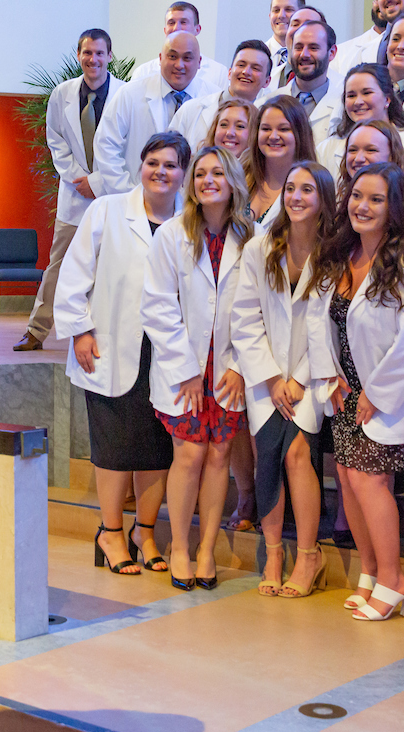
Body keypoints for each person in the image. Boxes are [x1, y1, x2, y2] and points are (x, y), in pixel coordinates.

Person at [53, 133, 191, 577]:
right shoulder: (107, 210)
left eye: (170, 165)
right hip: (108, 344)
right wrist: (79, 331)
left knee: (155, 449)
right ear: (140, 166)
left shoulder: (187, 223)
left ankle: (144, 531)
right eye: (153, 162)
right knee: (113, 445)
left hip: (165, 351)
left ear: (182, 174)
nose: (160, 171)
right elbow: (74, 275)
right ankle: (111, 532)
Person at [306, 162, 404, 621]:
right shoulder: (341, 253)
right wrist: (328, 374)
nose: (363, 206)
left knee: (369, 480)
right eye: (358, 196)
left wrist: (377, 393)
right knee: (346, 478)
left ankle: (394, 580)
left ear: (395, 206)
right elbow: (315, 317)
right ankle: (369, 572)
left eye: (376, 199)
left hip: (389, 392)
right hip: (346, 387)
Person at [142, 146, 254, 590]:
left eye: (218, 173)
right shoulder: (172, 235)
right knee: (189, 455)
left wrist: (242, 367)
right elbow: (157, 306)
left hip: (228, 369)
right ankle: (181, 549)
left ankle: (208, 549)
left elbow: (258, 309)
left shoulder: (252, 237)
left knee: (220, 456)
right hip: (184, 368)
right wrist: (186, 368)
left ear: (232, 182)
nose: (209, 180)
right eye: (201, 173)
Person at [232, 160, 333, 597]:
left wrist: (299, 379)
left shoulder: (334, 252)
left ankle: (309, 555)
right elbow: (244, 317)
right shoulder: (259, 248)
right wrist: (272, 378)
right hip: (267, 373)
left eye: (307, 189)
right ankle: (273, 552)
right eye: (290, 188)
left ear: (324, 198)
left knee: (297, 455)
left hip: (312, 374)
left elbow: (329, 323)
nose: (295, 196)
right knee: (267, 454)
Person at [15, 29, 123, 352]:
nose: (93, 59)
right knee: (58, 265)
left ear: (109, 56)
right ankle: (36, 330)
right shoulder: (61, 94)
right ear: (80, 55)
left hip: (112, 193)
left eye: (100, 53)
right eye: (87, 53)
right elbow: (56, 141)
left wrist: (99, 181)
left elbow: (130, 144)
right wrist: (79, 179)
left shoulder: (125, 94)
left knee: (114, 265)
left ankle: (108, 333)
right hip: (75, 195)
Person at [96, 31, 215, 195]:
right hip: (135, 197)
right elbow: (106, 145)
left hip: (193, 205)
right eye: (172, 57)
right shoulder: (130, 94)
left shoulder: (214, 100)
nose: (179, 65)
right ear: (160, 58)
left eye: (187, 58)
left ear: (199, 61)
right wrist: (129, 192)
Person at [316, 64, 404, 185]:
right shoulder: (326, 149)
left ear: (387, 99)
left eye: (367, 93)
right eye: (351, 95)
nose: (358, 102)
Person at [170, 40, 272, 152]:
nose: (246, 72)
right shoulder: (190, 110)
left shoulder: (265, 122)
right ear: (229, 72)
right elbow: (169, 156)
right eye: (241, 65)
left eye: (255, 68)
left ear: (267, 81)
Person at [246, 95, 317, 232]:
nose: (273, 137)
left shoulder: (314, 188)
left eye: (283, 129)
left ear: (300, 133)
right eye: (266, 129)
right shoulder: (241, 176)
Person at [273, 20, 344, 146]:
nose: (304, 55)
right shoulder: (268, 102)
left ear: (332, 53)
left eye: (313, 48)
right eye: (298, 47)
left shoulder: (344, 106)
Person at [132, 2, 231, 89]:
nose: (176, 28)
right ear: (165, 30)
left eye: (183, 22)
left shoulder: (218, 73)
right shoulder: (143, 72)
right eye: (171, 23)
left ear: (197, 29)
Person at [337, 119, 404, 194]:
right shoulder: (338, 204)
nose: (358, 159)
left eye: (370, 150)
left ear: (392, 156)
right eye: (352, 150)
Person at [271, 6, 329, 88]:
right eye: (295, 24)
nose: (300, 30)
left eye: (309, 24)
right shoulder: (267, 79)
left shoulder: (341, 85)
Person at [267, 0, 302, 72]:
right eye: (276, 10)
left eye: (288, 9)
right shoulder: (255, 58)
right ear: (270, 16)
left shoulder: (314, 58)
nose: (281, 15)